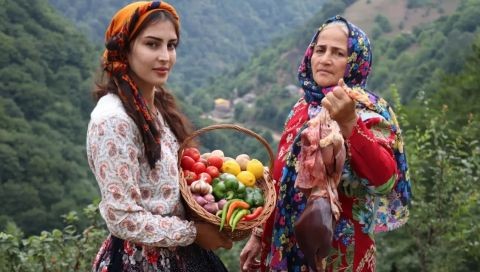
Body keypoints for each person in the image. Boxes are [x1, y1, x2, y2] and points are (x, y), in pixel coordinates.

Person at [240, 15, 411, 272]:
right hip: (285, 245)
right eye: (320, 50)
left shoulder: (368, 112)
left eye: (338, 53)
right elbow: (280, 180)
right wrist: (258, 236)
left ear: (355, 61)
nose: (325, 59)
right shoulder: (302, 107)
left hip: (338, 254)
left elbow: (384, 180)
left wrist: (350, 123)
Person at [86, 1, 232, 271]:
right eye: (152, 44)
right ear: (125, 49)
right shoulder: (114, 120)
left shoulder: (155, 107)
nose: (165, 56)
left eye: (171, 45)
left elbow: (160, 189)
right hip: (140, 261)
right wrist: (195, 233)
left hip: (178, 254)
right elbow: (122, 217)